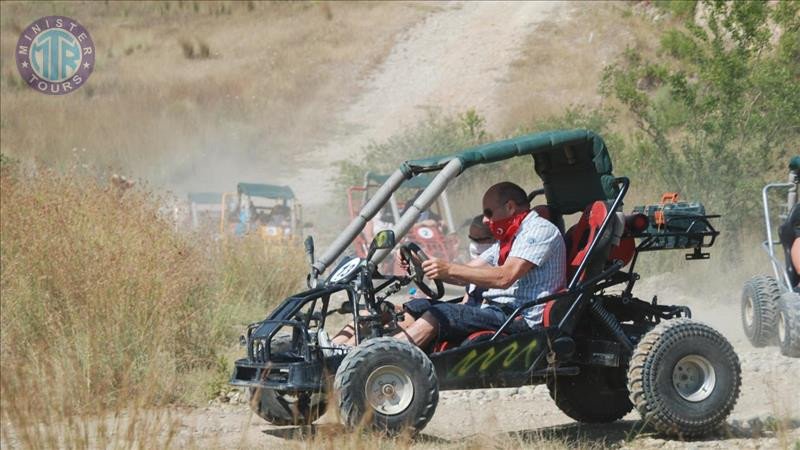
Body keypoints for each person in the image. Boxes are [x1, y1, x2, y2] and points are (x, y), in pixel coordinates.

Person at [393, 181, 566, 349]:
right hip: (498, 310)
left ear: (510, 207)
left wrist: (449, 269)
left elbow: (505, 277)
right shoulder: (510, 238)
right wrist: (419, 259)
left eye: (489, 213)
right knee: (417, 307)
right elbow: (467, 274)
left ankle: (387, 357)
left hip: (520, 317)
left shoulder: (538, 230)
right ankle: (383, 347)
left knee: (441, 314)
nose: (484, 220)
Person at [330, 214, 497, 347]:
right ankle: (337, 348)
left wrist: (423, 261)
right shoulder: (481, 260)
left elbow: (459, 274)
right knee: (385, 309)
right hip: (467, 311)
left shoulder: (497, 258)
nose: (474, 245)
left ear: (495, 239)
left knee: (437, 313)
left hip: (482, 316)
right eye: (472, 239)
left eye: (480, 240)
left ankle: (381, 355)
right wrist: (417, 259)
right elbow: (462, 280)